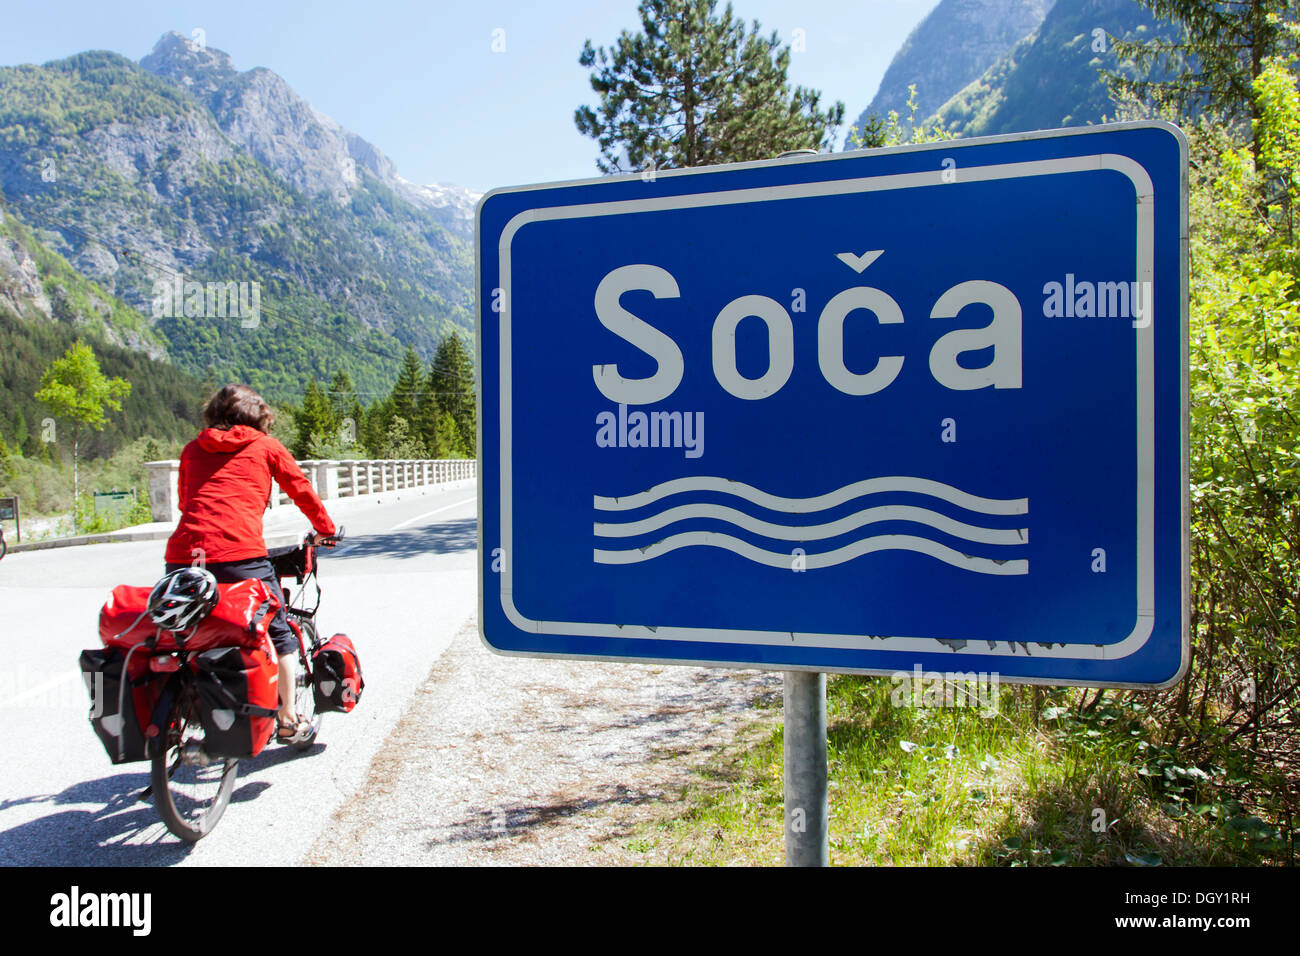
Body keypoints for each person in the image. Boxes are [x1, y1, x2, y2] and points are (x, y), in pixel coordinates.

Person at [164, 383, 337, 743]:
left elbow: (185, 502)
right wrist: (325, 529)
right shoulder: (265, 446)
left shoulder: (192, 450)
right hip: (239, 555)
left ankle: (178, 713)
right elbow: (301, 489)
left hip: (185, 557)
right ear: (259, 418)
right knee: (281, 635)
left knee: (188, 634)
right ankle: (288, 720)